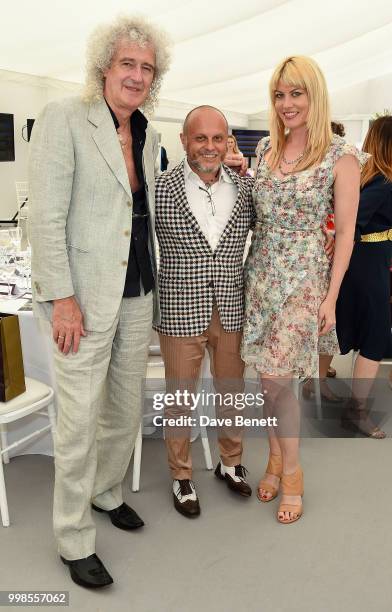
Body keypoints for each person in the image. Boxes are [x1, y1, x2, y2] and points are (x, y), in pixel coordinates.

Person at [29, 15, 171, 588]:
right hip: (80, 299)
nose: (136, 76)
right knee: (79, 420)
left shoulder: (149, 133)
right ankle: (70, 536)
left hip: (137, 290)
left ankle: (105, 491)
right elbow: (45, 215)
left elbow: (146, 213)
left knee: (122, 406)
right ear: (104, 68)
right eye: (127, 64)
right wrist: (63, 298)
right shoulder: (65, 117)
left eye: (146, 68)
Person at [241, 56, 365, 524]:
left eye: (297, 93)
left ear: (315, 95)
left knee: (277, 381)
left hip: (305, 279)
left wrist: (331, 297)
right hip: (262, 275)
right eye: (279, 94)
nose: (287, 103)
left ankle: (292, 473)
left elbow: (347, 234)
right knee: (267, 383)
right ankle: (274, 459)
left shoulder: (341, 155)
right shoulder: (265, 151)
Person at [154, 105, 255, 518]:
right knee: (180, 398)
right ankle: (181, 476)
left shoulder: (246, 188)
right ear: (184, 141)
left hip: (232, 307)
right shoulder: (160, 188)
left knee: (233, 392)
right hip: (180, 309)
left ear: (227, 142)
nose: (210, 147)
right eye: (201, 138)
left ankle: (230, 464)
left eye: (218, 138)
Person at [336, 116, 392, 438]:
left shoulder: (374, 177)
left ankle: (353, 406)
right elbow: (353, 223)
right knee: (374, 339)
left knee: (365, 334)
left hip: (369, 262)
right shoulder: (383, 180)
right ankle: (357, 412)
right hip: (368, 266)